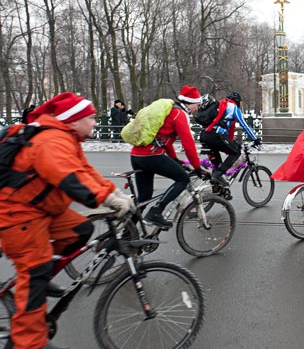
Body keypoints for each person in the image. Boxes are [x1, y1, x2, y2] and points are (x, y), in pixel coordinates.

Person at [0, 92, 134, 349]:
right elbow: (70, 178)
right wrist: (107, 199)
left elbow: (85, 171)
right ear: (73, 120)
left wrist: (113, 192)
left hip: (42, 210)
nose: (95, 123)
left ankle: (40, 272)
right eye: (91, 118)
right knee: (35, 271)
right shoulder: (51, 140)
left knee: (81, 230)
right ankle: (27, 342)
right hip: (19, 215)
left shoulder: (67, 138)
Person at [130, 85, 209, 229]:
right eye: (197, 105)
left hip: (137, 155)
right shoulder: (180, 114)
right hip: (151, 156)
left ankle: (126, 233)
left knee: (144, 197)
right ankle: (156, 212)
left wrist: (175, 160)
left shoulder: (169, 111)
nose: (197, 109)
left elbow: (165, 141)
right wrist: (197, 167)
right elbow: (188, 144)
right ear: (190, 103)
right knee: (183, 179)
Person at [200, 91, 261, 184]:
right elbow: (244, 125)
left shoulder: (220, 104)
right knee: (236, 152)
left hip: (205, 135)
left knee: (217, 165)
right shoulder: (233, 108)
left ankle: (216, 193)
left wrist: (233, 142)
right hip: (216, 135)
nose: (241, 104)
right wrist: (255, 139)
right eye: (240, 102)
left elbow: (226, 130)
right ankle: (217, 174)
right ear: (237, 101)